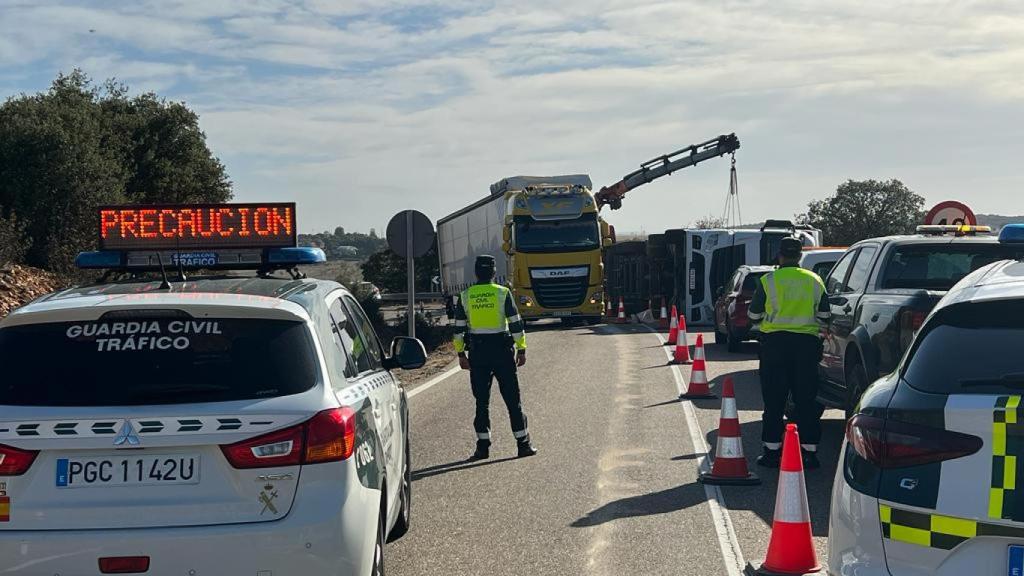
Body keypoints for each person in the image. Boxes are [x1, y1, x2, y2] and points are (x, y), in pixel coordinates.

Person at [747, 237, 830, 469]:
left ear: (780, 255)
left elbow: (753, 316)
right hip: (806, 346)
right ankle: (809, 452)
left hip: (775, 345)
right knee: (806, 399)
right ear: (800, 256)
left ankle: (772, 452)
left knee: (774, 400)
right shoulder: (815, 280)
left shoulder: (768, 280)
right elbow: (824, 316)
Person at [453, 255, 538, 461]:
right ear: (493, 273)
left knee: (481, 402)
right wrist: (522, 348)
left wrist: (461, 354)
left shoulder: (465, 296)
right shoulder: (503, 293)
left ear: (475, 273)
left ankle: (482, 448)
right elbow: (516, 323)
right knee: (512, 400)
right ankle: (523, 444)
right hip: (502, 351)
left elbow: (458, 329)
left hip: (478, 353)